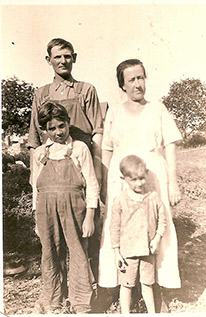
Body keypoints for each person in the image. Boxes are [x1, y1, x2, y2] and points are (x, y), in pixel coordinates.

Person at [98, 59, 182, 312]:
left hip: (152, 174)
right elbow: (107, 149)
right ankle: (117, 283)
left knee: (156, 225)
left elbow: (171, 144)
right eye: (131, 79)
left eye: (141, 78)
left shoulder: (157, 109)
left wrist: (173, 181)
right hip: (121, 176)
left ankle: (158, 287)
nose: (138, 84)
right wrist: (105, 183)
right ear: (122, 85)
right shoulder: (113, 111)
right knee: (119, 224)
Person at [31, 101, 99, 314]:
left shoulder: (79, 149)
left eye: (62, 126)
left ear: (68, 123)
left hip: (74, 208)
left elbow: (92, 184)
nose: (58, 132)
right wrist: (36, 219)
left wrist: (90, 216)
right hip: (46, 210)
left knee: (79, 251)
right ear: (44, 129)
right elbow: (35, 187)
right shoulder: (40, 154)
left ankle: (81, 303)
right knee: (50, 252)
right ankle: (53, 302)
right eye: (52, 128)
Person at [27, 38, 103, 185]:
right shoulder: (41, 94)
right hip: (50, 165)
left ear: (74, 58)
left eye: (67, 56)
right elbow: (34, 138)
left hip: (81, 163)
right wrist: (34, 173)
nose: (63, 61)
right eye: (57, 57)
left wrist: (98, 173)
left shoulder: (86, 90)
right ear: (49, 60)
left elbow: (98, 133)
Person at [110, 155, 166, 313]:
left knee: (148, 283)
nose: (139, 183)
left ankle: (152, 312)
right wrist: (116, 252)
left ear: (147, 173)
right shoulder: (120, 200)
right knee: (126, 285)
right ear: (124, 178)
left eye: (142, 178)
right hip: (128, 252)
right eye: (133, 179)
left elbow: (163, 220)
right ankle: (125, 313)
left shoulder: (153, 197)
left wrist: (157, 238)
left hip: (148, 250)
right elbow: (114, 227)